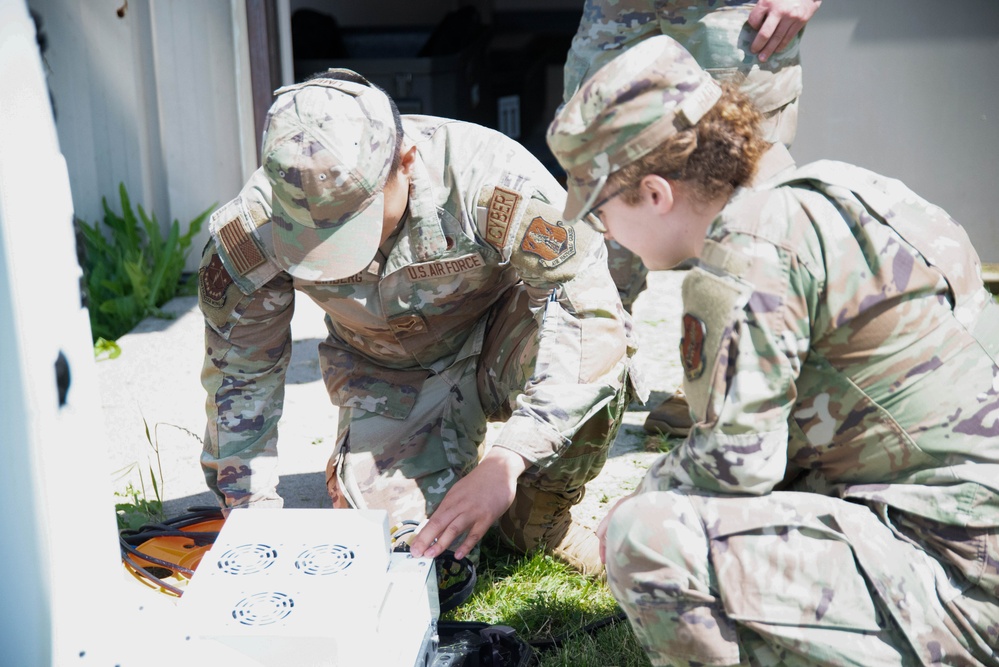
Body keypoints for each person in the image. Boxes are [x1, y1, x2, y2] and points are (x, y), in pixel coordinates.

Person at [547, 35, 999, 664]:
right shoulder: (842, 187)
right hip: (973, 524)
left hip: (960, 575)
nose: (605, 232)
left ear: (654, 194)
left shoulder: (743, 257)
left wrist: (644, 490)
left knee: (644, 535)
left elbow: (739, 464)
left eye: (601, 211)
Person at [197, 69, 641, 575]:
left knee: (600, 357)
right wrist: (254, 527)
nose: (332, 245)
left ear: (406, 162)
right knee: (404, 555)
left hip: (506, 343)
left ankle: (537, 518)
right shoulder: (251, 231)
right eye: (311, 234)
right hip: (391, 377)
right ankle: (436, 475)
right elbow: (240, 380)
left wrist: (509, 459)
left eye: (351, 223)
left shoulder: (489, 178)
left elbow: (587, 315)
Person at [564, 0, 822, 439]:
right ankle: (587, 367)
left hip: (730, 12)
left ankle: (726, 380)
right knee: (603, 179)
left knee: (734, 182)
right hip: (614, 11)